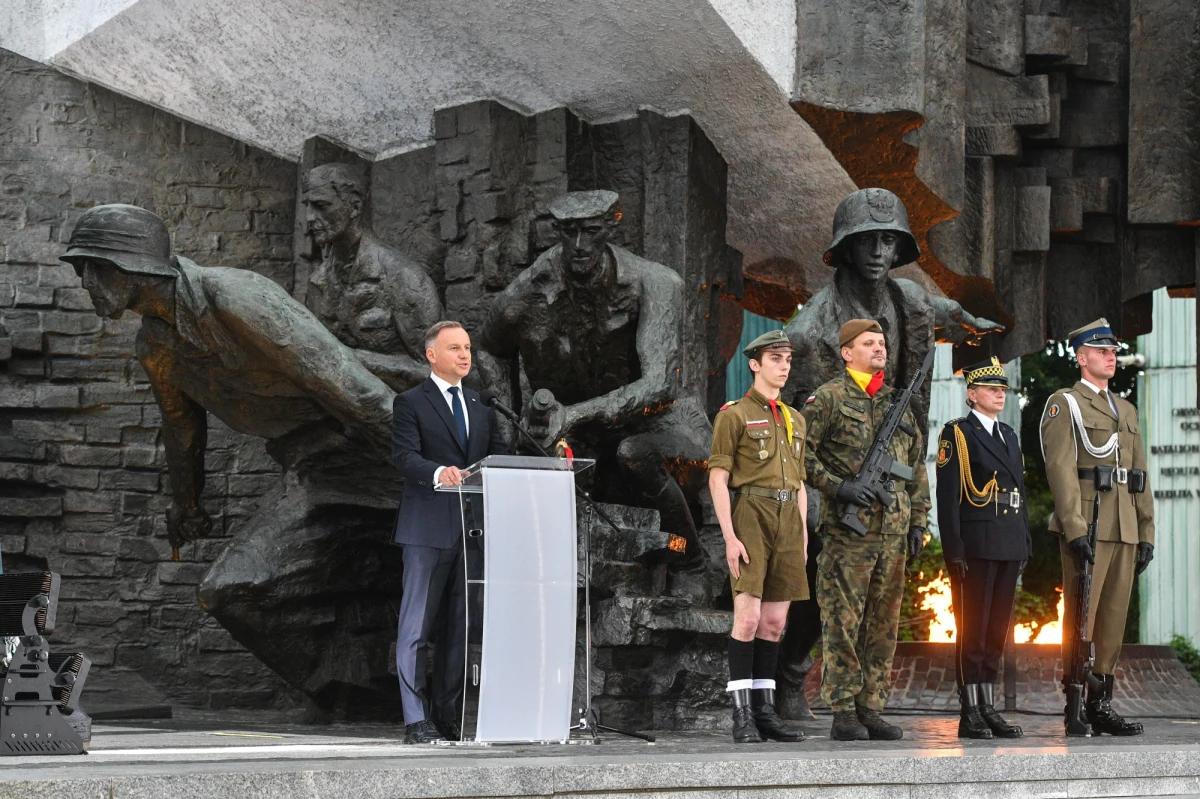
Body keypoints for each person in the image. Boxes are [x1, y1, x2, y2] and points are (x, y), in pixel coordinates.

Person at [774, 187, 1002, 717]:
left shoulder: (907, 299)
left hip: (890, 467)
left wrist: (969, 318)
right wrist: (809, 490)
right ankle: (787, 678)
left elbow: (939, 306)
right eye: (867, 241)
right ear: (846, 248)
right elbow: (788, 409)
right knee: (819, 584)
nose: (878, 251)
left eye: (887, 241)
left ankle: (866, 704)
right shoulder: (815, 323)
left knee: (881, 598)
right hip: (830, 470)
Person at [481, 190, 710, 552]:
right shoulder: (527, 290)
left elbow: (660, 385)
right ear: (556, 230)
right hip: (577, 430)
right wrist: (511, 435)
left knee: (637, 453)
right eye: (568, 232)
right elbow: (491, 349)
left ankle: (690, 558)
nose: (579, 244)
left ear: (610, 227)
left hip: (654, 421)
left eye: (590, 232)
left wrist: (573, 415)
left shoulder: (657, 282)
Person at [803, 318, 930, 741]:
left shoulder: (899, 403)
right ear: (846, 352)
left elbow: (915, 469)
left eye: (882, 343)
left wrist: (918, 521)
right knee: (843, 622)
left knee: (883, 623)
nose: (879, 349)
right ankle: (842, 710)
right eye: (868, 343)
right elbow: (799, 454)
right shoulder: (829, 399)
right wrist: (840, 488)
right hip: (848, 535)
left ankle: (871, 706)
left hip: (892, 535)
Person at [391, 321, 509, 744]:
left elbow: (499, 459)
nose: (464, 355)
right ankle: (415, 720)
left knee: (460, 630)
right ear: (431, 355)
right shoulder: (410, 402)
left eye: (468, 348)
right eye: (455, 348)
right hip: (426, 529)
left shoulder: (481, 405)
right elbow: (404, 457)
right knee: (416, 628)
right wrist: (440, 472)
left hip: (471, 530)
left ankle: (447, 718)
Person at [1040, 319, 1155, 736]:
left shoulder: (1126, 410)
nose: (1111, 357)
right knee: (1080, 619)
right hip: (1088, 523)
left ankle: (1101, 703)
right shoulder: (1065, 403)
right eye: (1102, 351)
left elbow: (1139, 474)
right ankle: (1074, 705)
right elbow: (1061, 469)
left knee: (1111, 621)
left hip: (1124, 525)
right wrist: (1072, 526)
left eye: (1113, 351)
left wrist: (1147, 532)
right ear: (1082, 357)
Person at [708, 329, 809, 744]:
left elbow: (800, 483)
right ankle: (741, 714)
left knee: (774, 623)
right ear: (755, 364)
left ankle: (766, 711)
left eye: (787, 359)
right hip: (751, 511)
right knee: (747, 619)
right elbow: (718, 477)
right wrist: (729, 536)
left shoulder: (795, 418)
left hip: (789, 517)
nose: (783, 366)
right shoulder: (733, 414)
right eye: (775, 358)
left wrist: (802, 537)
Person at [934, 357, 1030, 739]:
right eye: (992, 389)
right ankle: (969, 710)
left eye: (1003, 390)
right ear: (972, 394)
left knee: (996, 630)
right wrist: (953, 549)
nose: (1000, 395)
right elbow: (948, 495)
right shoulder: (957, 434)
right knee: (971, 630)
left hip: (1008, 541)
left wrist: (1024, 541)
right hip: (974, 544)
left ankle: (988, 706)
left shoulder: (1008, 434)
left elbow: (1019, 492)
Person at [300, 163, 443, 392]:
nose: (308, 218)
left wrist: (350, 360)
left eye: (321, 206)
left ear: (355, 206)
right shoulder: (319, 282)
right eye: (307, 206)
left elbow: (440, 374)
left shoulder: (403, 276)